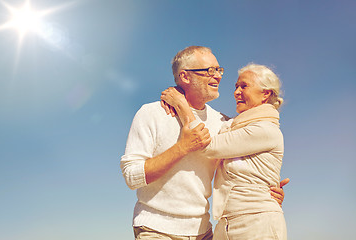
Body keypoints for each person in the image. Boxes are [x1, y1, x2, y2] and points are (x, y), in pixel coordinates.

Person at [120, 46, 287, 240]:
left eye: (219, 70)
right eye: (210, 71)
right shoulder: (152, 114)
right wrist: (182, 147)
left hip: (204, 232)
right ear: (185, 77)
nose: (218, 76)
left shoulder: (225, 123)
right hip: (157, 229)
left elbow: (251, 159)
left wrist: (270, 192)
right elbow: (132, 177)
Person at [160, 63, 287, 239]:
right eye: (236, 87)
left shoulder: (266, 129)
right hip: (227, 226)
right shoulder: (233, 126)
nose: (236, 92)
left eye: (244, 86)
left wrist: (181, 105)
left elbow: (205, 144)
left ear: (265, 93)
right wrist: (185, 92)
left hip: (257, 224)